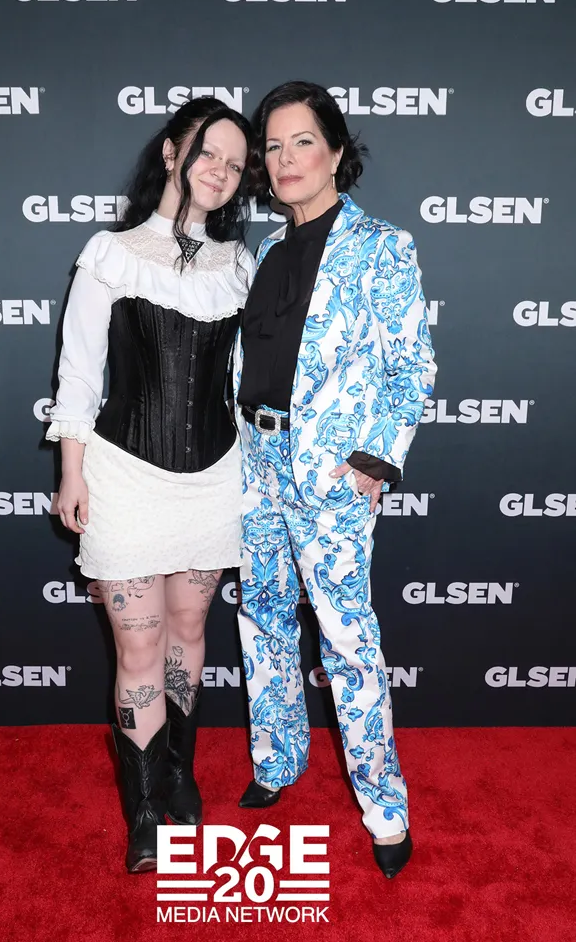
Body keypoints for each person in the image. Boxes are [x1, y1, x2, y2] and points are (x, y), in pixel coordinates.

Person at [233, 81, 437, 879]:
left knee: (349, 643)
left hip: (330, 478)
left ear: (337, 152)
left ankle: (385, 808)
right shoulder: (266, 252)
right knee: (263, 622)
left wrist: (372, 461)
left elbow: (411, 368)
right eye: (273, 146)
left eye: (303, 142)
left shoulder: (383, 246)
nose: (286, 159)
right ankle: (277, 760)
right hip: (255, 464)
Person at [46, 97, 254, 873]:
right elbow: (79, 372)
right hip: (125, 476)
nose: (220, 171)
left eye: (235, 163)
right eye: (208, 152)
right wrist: (71, 472)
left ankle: (177, 772)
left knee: (189, 632)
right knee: (138, 644)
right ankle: (142, 811)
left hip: (215, 479)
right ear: (172, 152)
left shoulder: (240, 267)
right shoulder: (112, 252)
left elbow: (243, 383)